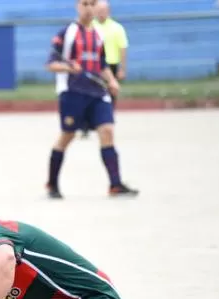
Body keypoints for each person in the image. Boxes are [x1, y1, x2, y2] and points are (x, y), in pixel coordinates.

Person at [45, 0, 137, 199]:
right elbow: (51, 64)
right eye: (85, 3)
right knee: (67, 136)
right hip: (72, 92)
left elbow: (102, 63)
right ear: (78, 6)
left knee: (107, 131)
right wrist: (69, 67)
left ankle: (115, 184)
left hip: (97, 92)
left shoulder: (98, 35)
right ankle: (52, 183)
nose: (88, 8)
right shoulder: (66, 33)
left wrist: (111, 80)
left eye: (92, 3)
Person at [94, 1, 128, 104]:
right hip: (95, 65)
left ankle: (109, 115)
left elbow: (123, 48)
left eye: (103, 10)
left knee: (111, 93)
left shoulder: (117, 28)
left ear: (108, 11)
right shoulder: (91, 27)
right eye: (99, 10)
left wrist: (122, 69)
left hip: (111, 64)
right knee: (95, 94)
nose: (101, 13)